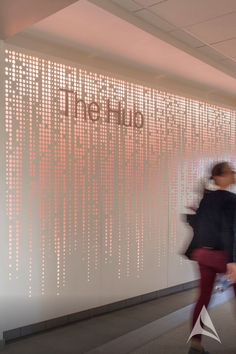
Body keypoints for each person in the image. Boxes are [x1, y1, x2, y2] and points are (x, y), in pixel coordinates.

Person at [187, 161, 236, 354]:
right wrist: (232, 261)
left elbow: (197, 224)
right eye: (231, 172)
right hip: (222, 255)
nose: (234, 174)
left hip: (203, 254)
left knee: (203, 297)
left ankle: (195, 345)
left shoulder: (206, 198)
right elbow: (229, 230)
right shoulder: (231, 199)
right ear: (219, 177)